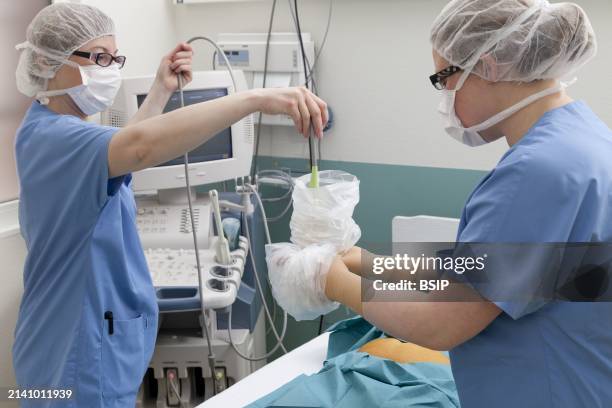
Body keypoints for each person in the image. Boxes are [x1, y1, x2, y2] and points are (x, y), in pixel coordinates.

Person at [271, 0, 612, 406]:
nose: (444, 96)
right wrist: (370, 263)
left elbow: (443, 322)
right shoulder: (582, 140)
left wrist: (331, 280)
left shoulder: (538, 172)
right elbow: (486, 275)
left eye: (445, 78)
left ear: (491, 66)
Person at [12, 3, 328, 407]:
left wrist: (160, 90)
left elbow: (123, 152)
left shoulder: (54, 130)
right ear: (46, 60)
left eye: (114, 58)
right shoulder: (56, 140)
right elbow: (139, 147)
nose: (110, 69)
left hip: (69, 337)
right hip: (76, 350)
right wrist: (254, 99)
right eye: (99, 58)